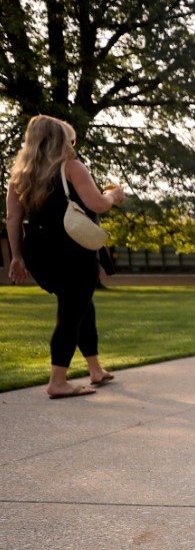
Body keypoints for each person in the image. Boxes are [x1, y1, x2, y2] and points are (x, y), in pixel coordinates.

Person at [6, 115, 125, 399]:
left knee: (80, 304)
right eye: (70, 139)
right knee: (71, 312)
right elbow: (96, 202)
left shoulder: (20, 175)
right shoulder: (71, 167)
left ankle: (95, 369)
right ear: (61, 140)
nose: (73, 145)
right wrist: (113, 196)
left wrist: (17, 256)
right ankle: (57, 381)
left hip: (38, 250)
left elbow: (12, 217)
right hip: (71, 248)